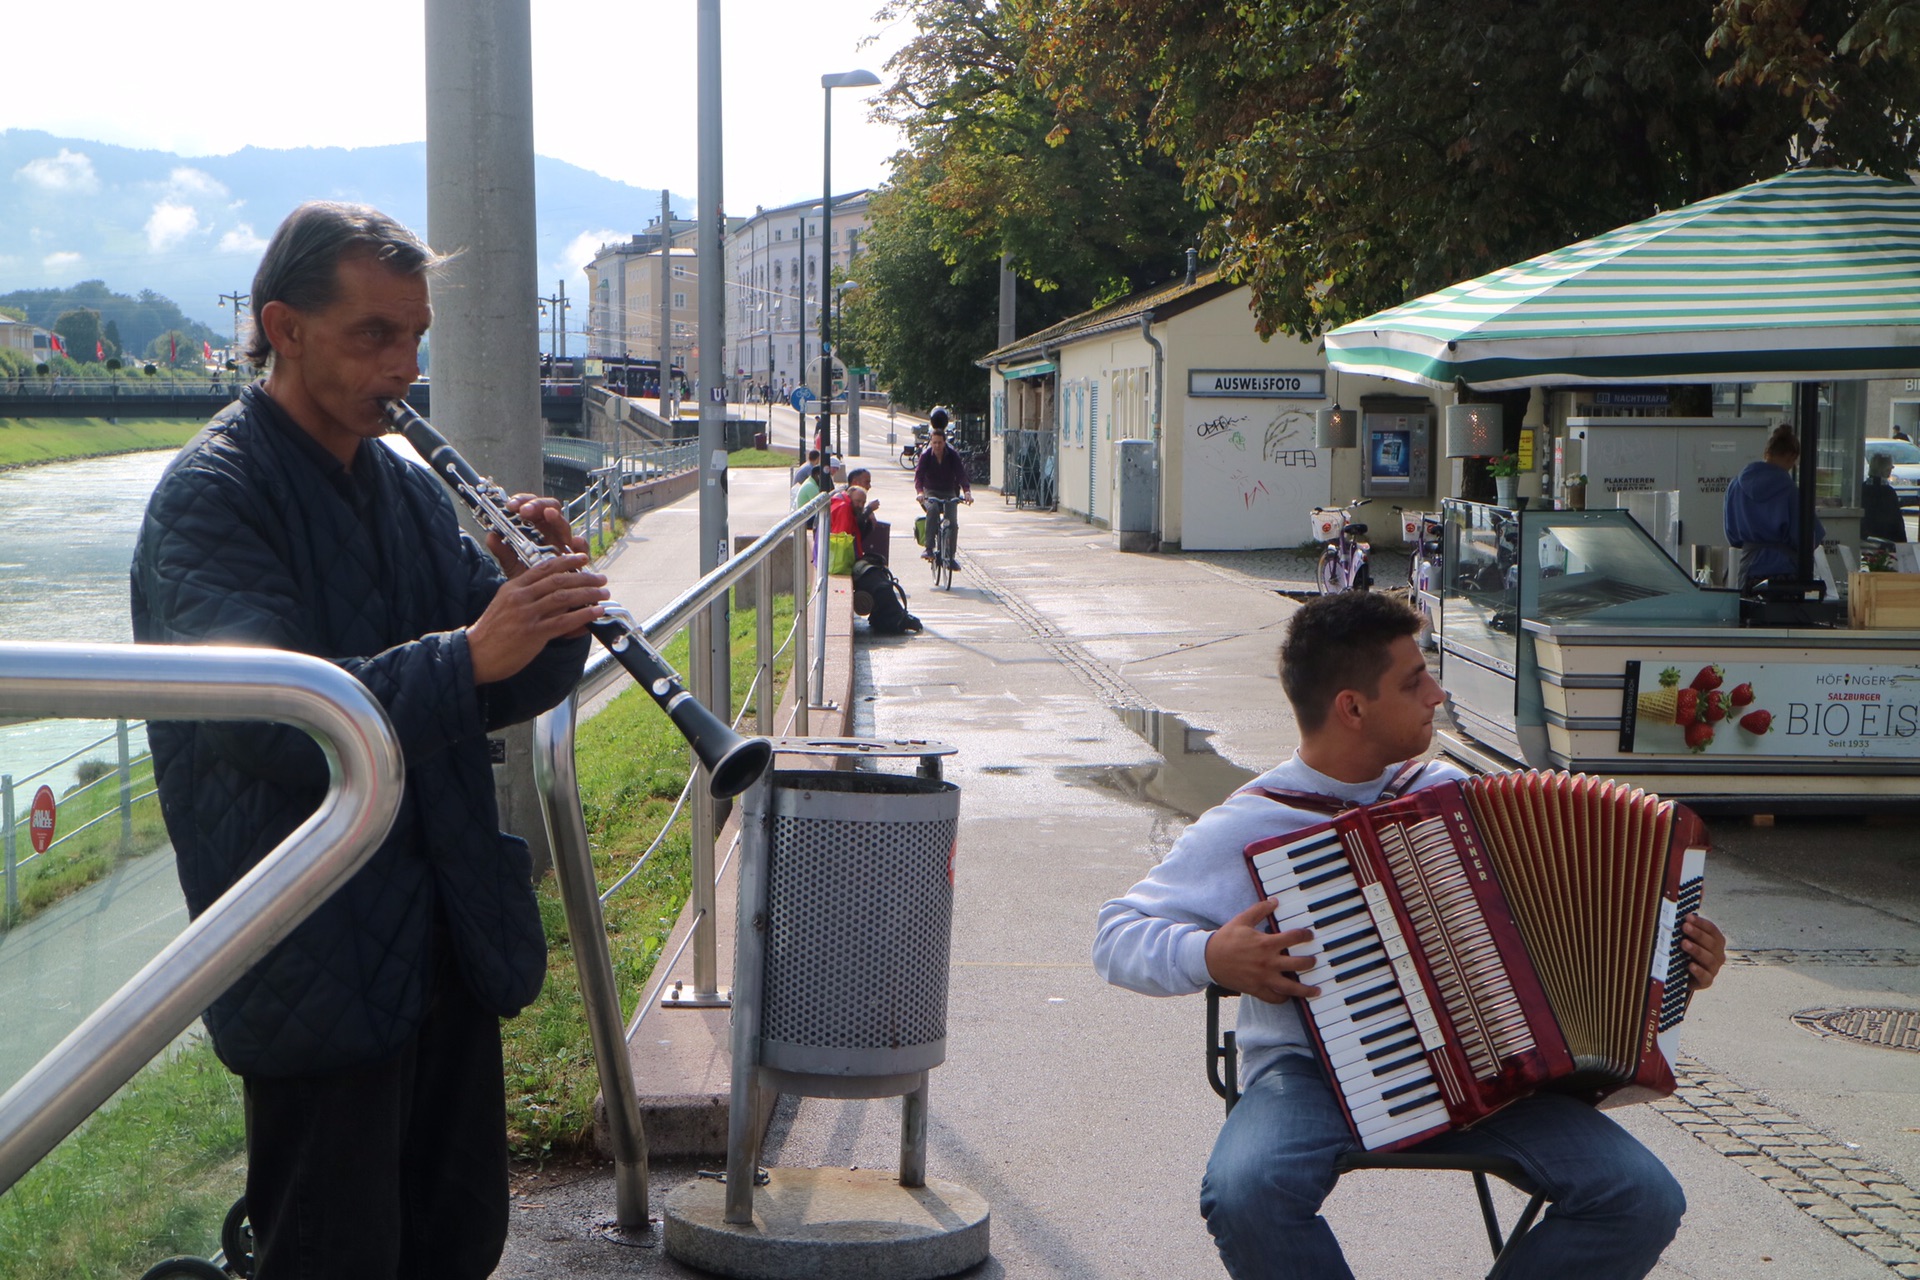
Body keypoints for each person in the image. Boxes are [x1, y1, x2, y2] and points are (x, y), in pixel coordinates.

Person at [130, 201, 607, 1280]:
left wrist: (548, 602)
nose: (404, 365)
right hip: (310, 943)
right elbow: (272, 723)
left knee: (454, 1238)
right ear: (284, 328)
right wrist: (469, 652)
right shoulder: (211, 497)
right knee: (332, 1253)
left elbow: (500, 683)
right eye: (374, 336)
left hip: (438, 928)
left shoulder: (396, 482)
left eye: (415, 336)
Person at [1093, 592, 1727, 1280]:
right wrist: (1210, 955)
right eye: (1413, 680)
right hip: (1312, 1076)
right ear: (1352, 707)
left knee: (1641, 1197)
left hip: (1491, 1068)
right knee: (1247, 1193)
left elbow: (1569, 927)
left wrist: (1674, 953)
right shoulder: (1252, 824)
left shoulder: (1452, 793)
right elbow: (1117, 935)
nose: (1437, 692)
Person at [1723, 424, 1825, 590]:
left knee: (1750, 612)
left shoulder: (1735, 486)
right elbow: (1806, 537)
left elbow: (1732, 535)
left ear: (1767, 453)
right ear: (1791, 457)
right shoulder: (1790, 490)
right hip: (1786, 569)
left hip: (1750, 567)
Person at [913, 408, 973, 569]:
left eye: (940, 443)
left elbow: (961, 474)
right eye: (934, 443)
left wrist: (966, 491)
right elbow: (919, 476)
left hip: (948, 491)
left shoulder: (952, 454)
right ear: (931, 442)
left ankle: (950, 557)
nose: (937, 446)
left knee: (952, 523)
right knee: (932, 510)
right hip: (930, 490)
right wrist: (920, 493)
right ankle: (929, 548)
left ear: (944, 442)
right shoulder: (926, 455)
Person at [1862, 452, 1909, 544]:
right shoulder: (1888, 492)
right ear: (1886, 470)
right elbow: (1896, 521)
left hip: (1865, 538)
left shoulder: (1862, 488)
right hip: (1886, 540)